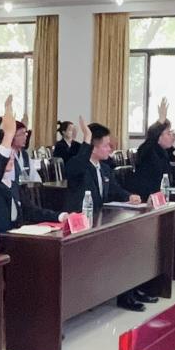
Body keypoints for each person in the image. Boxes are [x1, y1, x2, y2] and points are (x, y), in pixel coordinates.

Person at [65, 117, 148, 312]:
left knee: (132, 238)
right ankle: (122, 294)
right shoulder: (79, 166)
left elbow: (114, 190)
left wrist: (129, 196)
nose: (110, 149)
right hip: (81, 226)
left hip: (101, 221)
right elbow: (74, 168)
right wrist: (86, 139)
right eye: (105, 145)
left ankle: (130, 289)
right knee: (119, 244)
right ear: (93, 148)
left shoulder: (103, 167)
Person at [0, 97, 65, 236]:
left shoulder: (12, 184)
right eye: (6, 152)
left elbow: (31, 211)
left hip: (16, 240)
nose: (11, 156)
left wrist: (60, 216)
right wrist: (8, 134)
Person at [130, 119, 174, 201]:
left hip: (159, 194)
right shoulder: (147, 150)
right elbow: (150, 140)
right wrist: (160, 122)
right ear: (158, 137)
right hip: (145, 197)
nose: (172, 137)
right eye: (168, 134)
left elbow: (168, 174)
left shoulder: (163, 152)